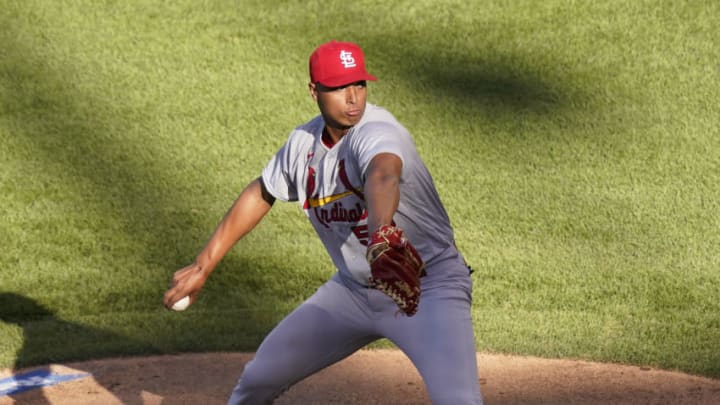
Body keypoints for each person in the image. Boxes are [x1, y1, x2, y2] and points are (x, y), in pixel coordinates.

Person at [163, 40, 484, 405]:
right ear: (314, 91)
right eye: (339, 88)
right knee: (258, 379)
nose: (353, 98)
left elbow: (383, 174)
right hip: (352, 293)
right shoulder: (303, 143)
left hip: (428, 289)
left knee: (459, 400)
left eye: (359, 85)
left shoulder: (378, 130)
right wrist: (204, 265)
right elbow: (262, 192)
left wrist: (381, 232)